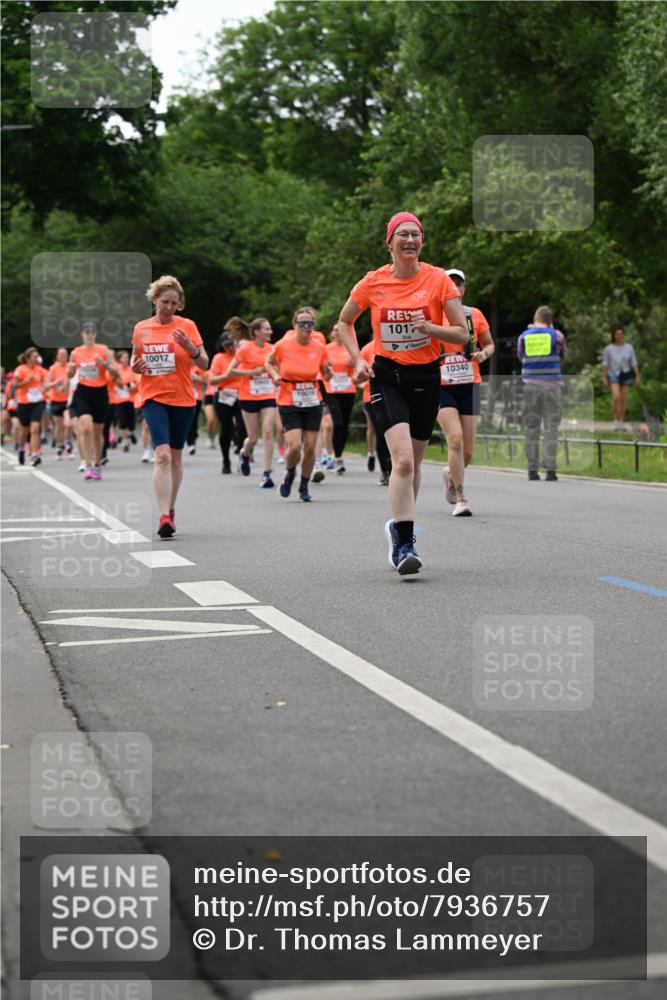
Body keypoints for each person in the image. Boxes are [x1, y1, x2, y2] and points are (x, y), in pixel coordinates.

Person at [337, 211, 468, 574]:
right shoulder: (372, 282)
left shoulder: (438, 280)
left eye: (415, 235)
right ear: (390, 242)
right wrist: (357, 360)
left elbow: (462, 333)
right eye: (403, 234)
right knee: (404, 461)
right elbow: (344, 322)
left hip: (426, 377)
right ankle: (406, 543)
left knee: (416, 464)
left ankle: (399, 527)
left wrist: (430, 328)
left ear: (422, 241)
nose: (410, 240)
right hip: (387, 377)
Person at [130, 275, 208, 537]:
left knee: (175, 456)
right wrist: (135, 366)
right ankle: (164, 516)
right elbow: (134, 360)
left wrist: (190, 348)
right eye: (165, 302)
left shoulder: (187, 326)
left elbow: (204, 363)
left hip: (183, 399)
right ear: (154, 300)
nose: (169, 307)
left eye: (174, 303)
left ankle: (171, 508)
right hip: (153, 397)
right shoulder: (141, 328)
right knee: (162, 455)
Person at [437, 268, 495, 516]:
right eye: (450, 284)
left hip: (470, 383)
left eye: (458, 284)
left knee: (468, 451)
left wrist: (484, 354)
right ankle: (461, 498)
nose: (454, 288)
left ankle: (451, 474)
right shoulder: (433, 314)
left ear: (464, 289)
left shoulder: (475, 314)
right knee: (455, 439)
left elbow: (489, 344)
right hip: (442, 386)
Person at [265, 308, 333, 502]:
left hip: (312, 399)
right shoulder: (283, 345)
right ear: (295, 325)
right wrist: (275, 375)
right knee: (295, 446)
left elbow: (326, 374)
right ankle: (289, 473)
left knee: (310, 448)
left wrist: (329, 372)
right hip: (289, 398)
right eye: (302, 323)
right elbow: (268, 363)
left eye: (309, 323)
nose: (306, 327)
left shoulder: (319, 347)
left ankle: (304, 485)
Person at [516, 305, 567, 481]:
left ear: (534, 319)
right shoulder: (557, 335)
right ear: (551, 321)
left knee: (531, 427)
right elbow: (563, 355)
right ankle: (550, 470)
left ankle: (532, 470)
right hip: (552, 386)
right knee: (551, 427)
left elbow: (520, 357)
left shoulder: (523, 337)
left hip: (530, 387)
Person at [229, 317, 277, 487]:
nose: (270, 332)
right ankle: (245, 453)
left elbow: (279, 367)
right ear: (257, 332)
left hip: (268, 394)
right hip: (248, 396)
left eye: (269, 328)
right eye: (267, 329)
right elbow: (231, 371)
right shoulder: (245, 349)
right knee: (253, 437)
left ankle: (266, 473)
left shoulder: (273, 349)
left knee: (268, 431)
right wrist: (251, 372)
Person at [68, 322, 118, 480]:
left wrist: (104, 364)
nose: (89, 335)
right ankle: (87, 464)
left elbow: (115, 373)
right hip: (83, 392)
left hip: (100, 393)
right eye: (86, 332)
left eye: (92, 332)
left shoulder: (104, 350)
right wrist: (70, 371)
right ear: (82, 334)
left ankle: (97, 464)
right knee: (85, 428)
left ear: (95, 334)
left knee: (98, 432)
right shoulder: (76, 352)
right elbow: (70, 375)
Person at [323, 322, 357, 475]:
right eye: (335, 330)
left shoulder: (351, 348)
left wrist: (354, 363)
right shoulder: (325, 349)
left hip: (348, 390)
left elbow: (359, 367)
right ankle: (335, 457)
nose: (338, 333)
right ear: (331, 333)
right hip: (330, 390)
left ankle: (339, 456)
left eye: (340, 330)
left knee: (344, 425)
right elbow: (319, 367)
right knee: (337, 424)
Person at [208, 334, 245, 474]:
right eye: (226, 345)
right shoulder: (219, 358)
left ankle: (242, 458)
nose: (230, 348)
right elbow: (212, 380)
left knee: (242, 428)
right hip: (224, 395)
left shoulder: (242, 356)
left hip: (242, 394)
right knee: (226, 428)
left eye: (232, 344)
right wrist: (228, 375)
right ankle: (226, 460)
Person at [360, 338, 391, 485]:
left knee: (395, 431)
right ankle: (384, 470)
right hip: (371, 396)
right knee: (380, 432)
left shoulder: (396, 343)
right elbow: (357, 374)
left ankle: (394, 468)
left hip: (393, 395)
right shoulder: (367, 349)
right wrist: (361, 377)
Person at [12, 347, 49, 466]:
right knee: (25, 429)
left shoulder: (40, 370)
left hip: (37, 402)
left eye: (37, 357)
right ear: (28, 359)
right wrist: (26, 382)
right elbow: (14, 386)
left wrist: (45, 387)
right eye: (34, 357)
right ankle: (21, 448)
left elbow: (46, 382)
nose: (37, 359)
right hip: (24, 402)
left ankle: (34, 454)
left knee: (35, 427)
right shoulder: (21, 369)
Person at [602, 326, 640, 430]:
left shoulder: (629, 348)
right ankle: (615, 420)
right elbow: (605, 364)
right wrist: (604, 378)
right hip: (613, 374)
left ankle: (621, 420)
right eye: (617, 334)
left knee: (623, 399)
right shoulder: (608, 349)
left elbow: (634, 362)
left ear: (623, 335)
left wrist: (637, 375)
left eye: (621, 334)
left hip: (625, 374)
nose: (619, 336)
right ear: (614, 335)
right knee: (616, 397)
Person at [44, 347, 71, 459]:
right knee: (59, 426)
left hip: (68, 399)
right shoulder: (53, 368)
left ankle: (68, 445)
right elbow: (46, 386)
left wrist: (67, 385)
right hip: (55, 400)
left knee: (68, 424)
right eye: (61, 354)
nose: (63, 356)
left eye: (65, 354)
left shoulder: (71, 367)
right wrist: (56, 382)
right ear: (57, 356)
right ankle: (60, 446)